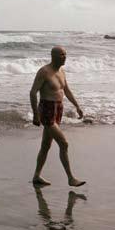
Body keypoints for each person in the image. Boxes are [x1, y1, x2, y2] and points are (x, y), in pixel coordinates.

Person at [30, 46, 85, 187]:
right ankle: (70, 178)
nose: (65, 57)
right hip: (46, 110)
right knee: (64, 143)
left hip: (58, 109)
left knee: (45, 145)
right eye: (62, 55)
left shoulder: (62, 71)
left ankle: (36, 176)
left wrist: (77, 106)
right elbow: (33, 92)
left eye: (65, 54)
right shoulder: (44, 72)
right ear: (53, 56)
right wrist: (36, 115)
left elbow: (66, 90)